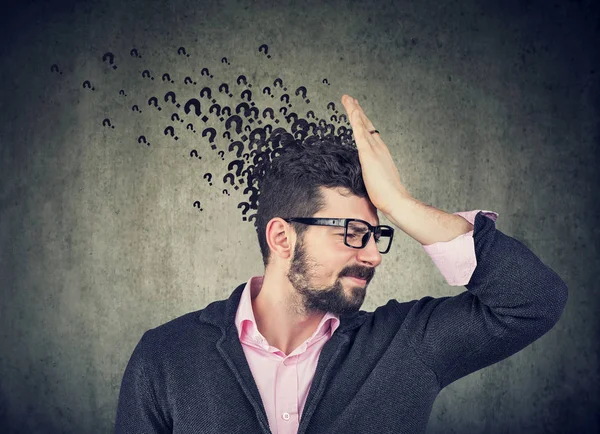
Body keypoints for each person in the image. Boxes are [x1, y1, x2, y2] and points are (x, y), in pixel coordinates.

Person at [114, 95, 568, 434]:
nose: (371, 255)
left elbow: (534, 300)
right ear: (281, 237)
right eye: (352, 233)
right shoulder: (166, 357)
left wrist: (399, 203)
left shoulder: (406, 346)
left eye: (376, 235)